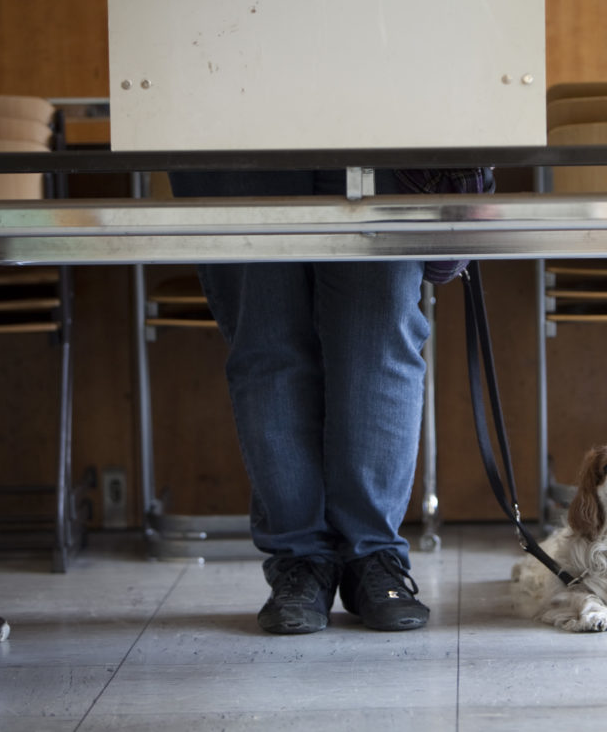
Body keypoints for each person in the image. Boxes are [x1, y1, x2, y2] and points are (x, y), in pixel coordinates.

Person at [170, 166, 493, 633]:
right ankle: (300, 562)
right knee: (266, 341)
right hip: (229, 134)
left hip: (375, 124)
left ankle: (373, 555)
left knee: (379, 338)